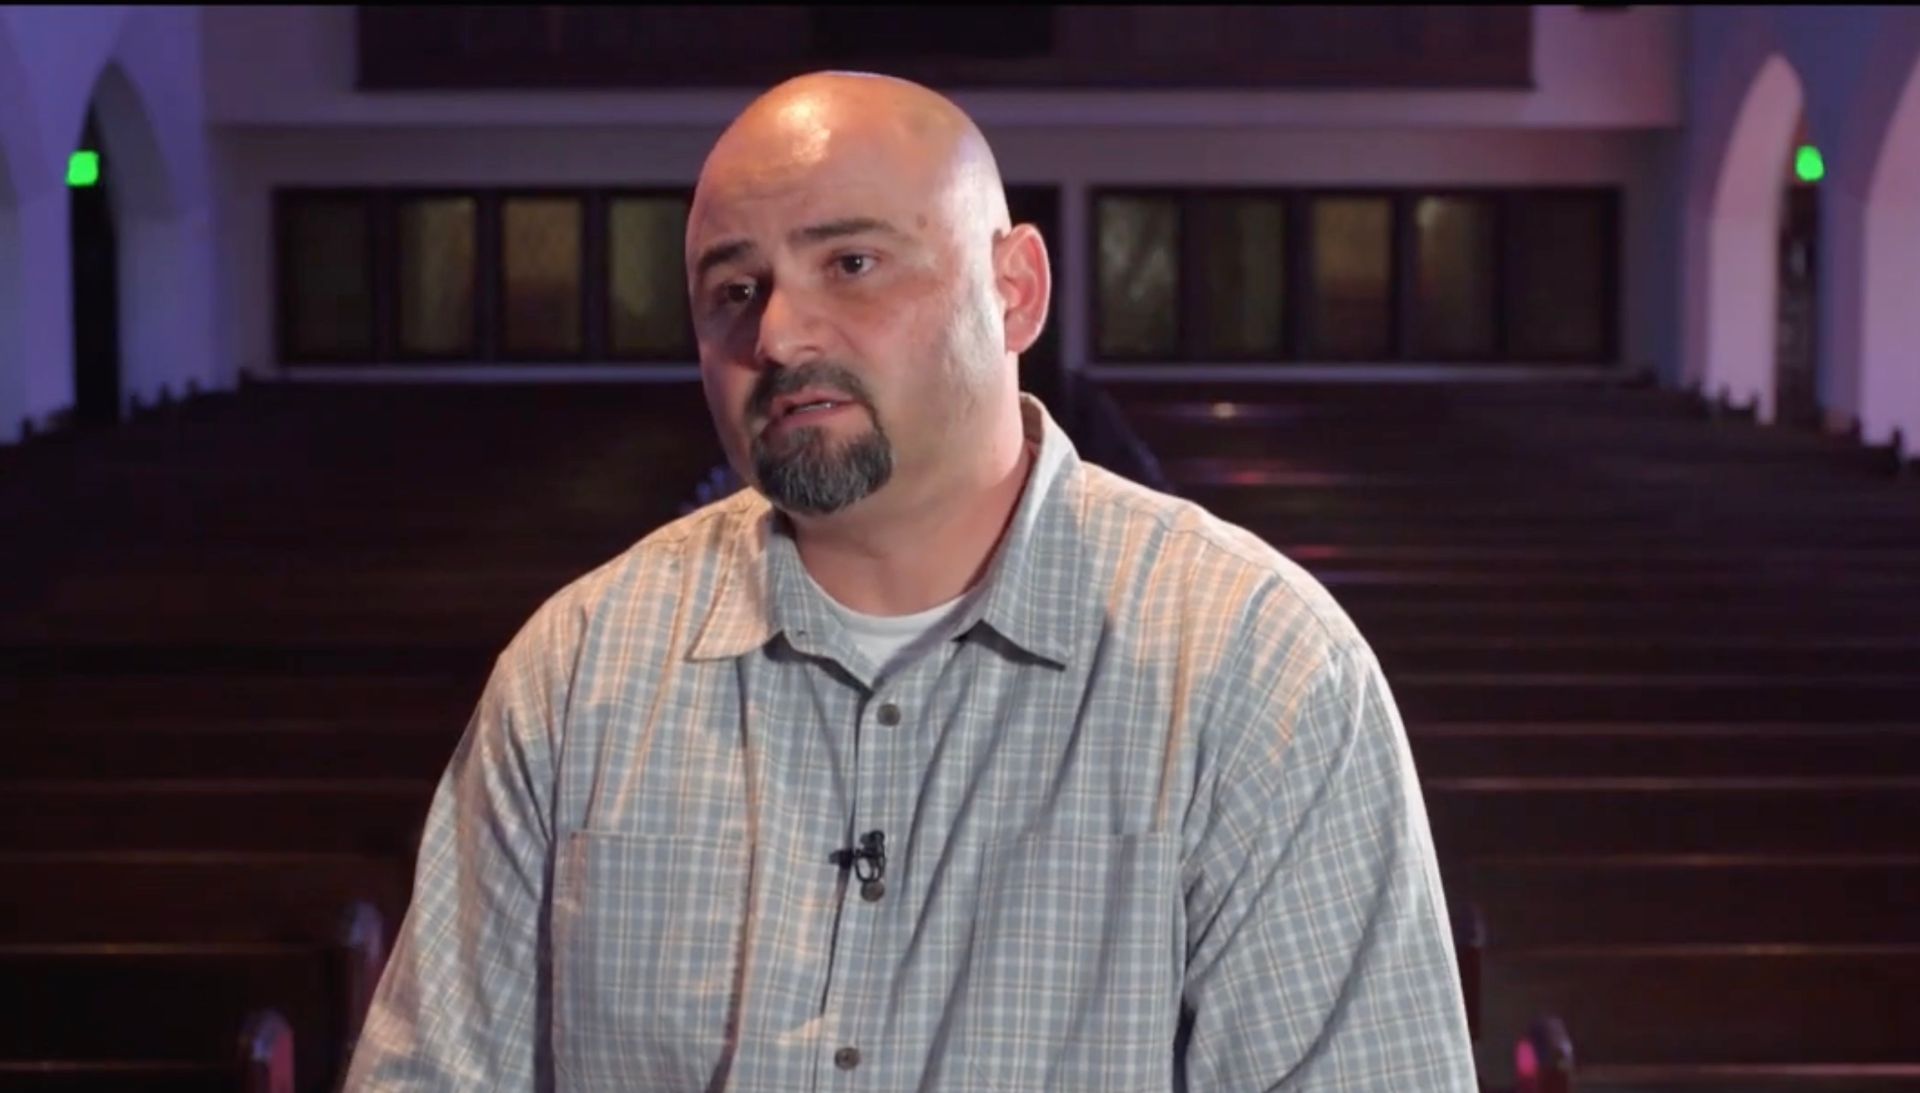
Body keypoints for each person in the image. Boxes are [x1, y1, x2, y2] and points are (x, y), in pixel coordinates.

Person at [345, 71, 1477, 1091]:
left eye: (852, 263)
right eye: (734, 290)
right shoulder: (576, 666)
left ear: (1016, 291)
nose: (781, 335)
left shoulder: (1261, 668)